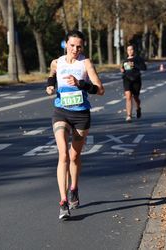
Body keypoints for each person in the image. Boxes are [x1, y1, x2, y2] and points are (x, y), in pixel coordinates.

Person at [46, 30, 105, 219]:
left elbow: (100, 90)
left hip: (81, 115)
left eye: (79, 46)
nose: (75, 49)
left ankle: (74, 188)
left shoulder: (85, 63)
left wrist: (81, 84)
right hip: (61, 112)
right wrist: (49, 86)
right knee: (63, 154)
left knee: (74, 156)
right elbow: (51, 76)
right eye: (72, 45)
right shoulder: (57, 61)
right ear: (66, 44)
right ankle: (63, 202)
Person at [120, 44, 147, 122]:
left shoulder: (138, 59)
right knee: (128, 96)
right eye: (128, 50)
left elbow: (144, 68)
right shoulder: (125, 60)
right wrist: (122, 69)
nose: (130, 51)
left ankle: (138, 108)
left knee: (136, 98)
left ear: (134, 50)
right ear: (127, 51)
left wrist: (134, 65)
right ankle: (129, 115)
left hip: (136, 80)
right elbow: (123, 68)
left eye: (131, 49)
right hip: (127, 79)